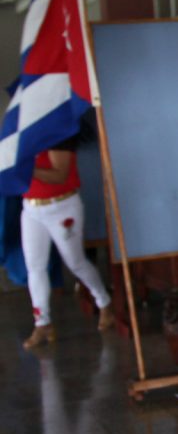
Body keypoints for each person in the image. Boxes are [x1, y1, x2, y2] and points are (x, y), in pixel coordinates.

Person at [20, 137, 114, 349]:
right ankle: (42, 323)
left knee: (76, 262)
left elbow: (60, 175)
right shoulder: (24, 135)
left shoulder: (57, 132)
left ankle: (105, 303)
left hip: (62, 206)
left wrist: (25, 169)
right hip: (31, 208)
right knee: (34, 267)